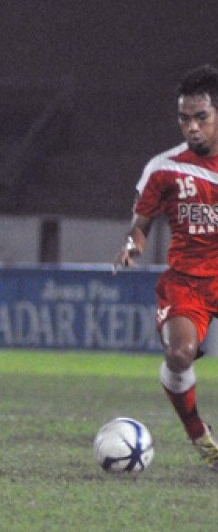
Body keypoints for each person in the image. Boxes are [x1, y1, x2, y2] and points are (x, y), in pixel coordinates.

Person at [113, 63, 218, 470]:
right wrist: (130, 244)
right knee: (180, 353)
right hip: (188, 281)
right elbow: (140, 224)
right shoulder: (165, 167)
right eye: (184, 118)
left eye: (201, 117)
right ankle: (202, 439)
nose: (191, 127)